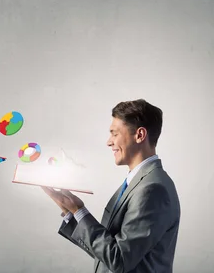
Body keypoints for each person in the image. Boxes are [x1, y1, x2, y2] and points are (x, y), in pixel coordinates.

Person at [43, 99, 180, 273]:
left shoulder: (152, 189)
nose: (109, 142)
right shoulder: (139, 181)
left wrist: (79, 211)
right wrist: (72, 212)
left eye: (115, 134)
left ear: (139, 135)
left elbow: (120, 260)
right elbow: (108, 252)